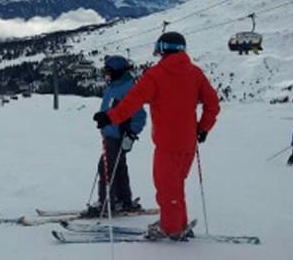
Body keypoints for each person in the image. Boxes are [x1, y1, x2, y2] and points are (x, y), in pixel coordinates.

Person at [93, 32, 220, 240]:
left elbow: (131, 102)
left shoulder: (156, 74)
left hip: (167, 143)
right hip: (188, 142)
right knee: (176, 184)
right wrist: (203, 128)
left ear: (161, 49)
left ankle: (170, 229)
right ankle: (178, 222)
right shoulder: (195, 73)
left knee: (166, 187)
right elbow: (213, 104)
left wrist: (110, 117)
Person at [87, 55, 146, 216]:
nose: (106, 74)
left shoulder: (127, 89)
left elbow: (140, 115)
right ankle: (123, 200)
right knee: (118, 168)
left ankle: (107, 204)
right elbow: (111, 108)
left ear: (117, 71)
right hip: (111, 133)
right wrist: (103, 117)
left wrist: (131, 133)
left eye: (108, 71)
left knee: (106, 167)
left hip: (119, 135)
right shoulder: (114, 86)